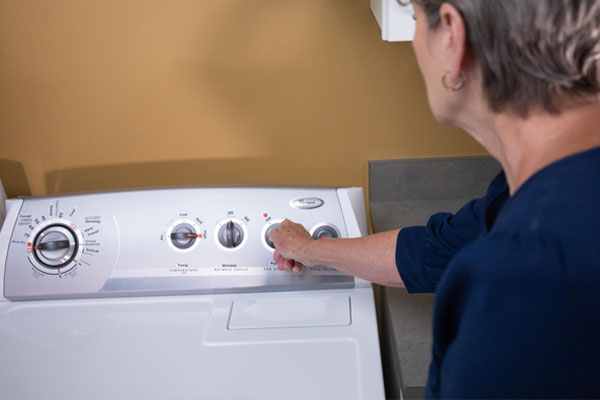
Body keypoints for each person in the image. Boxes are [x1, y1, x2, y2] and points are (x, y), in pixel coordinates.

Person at [269, 0, 600, 398]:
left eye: (414, 21)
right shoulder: (528, 189)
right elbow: (436, 250)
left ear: (452, 38)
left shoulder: (522, 280)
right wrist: (309, 249)